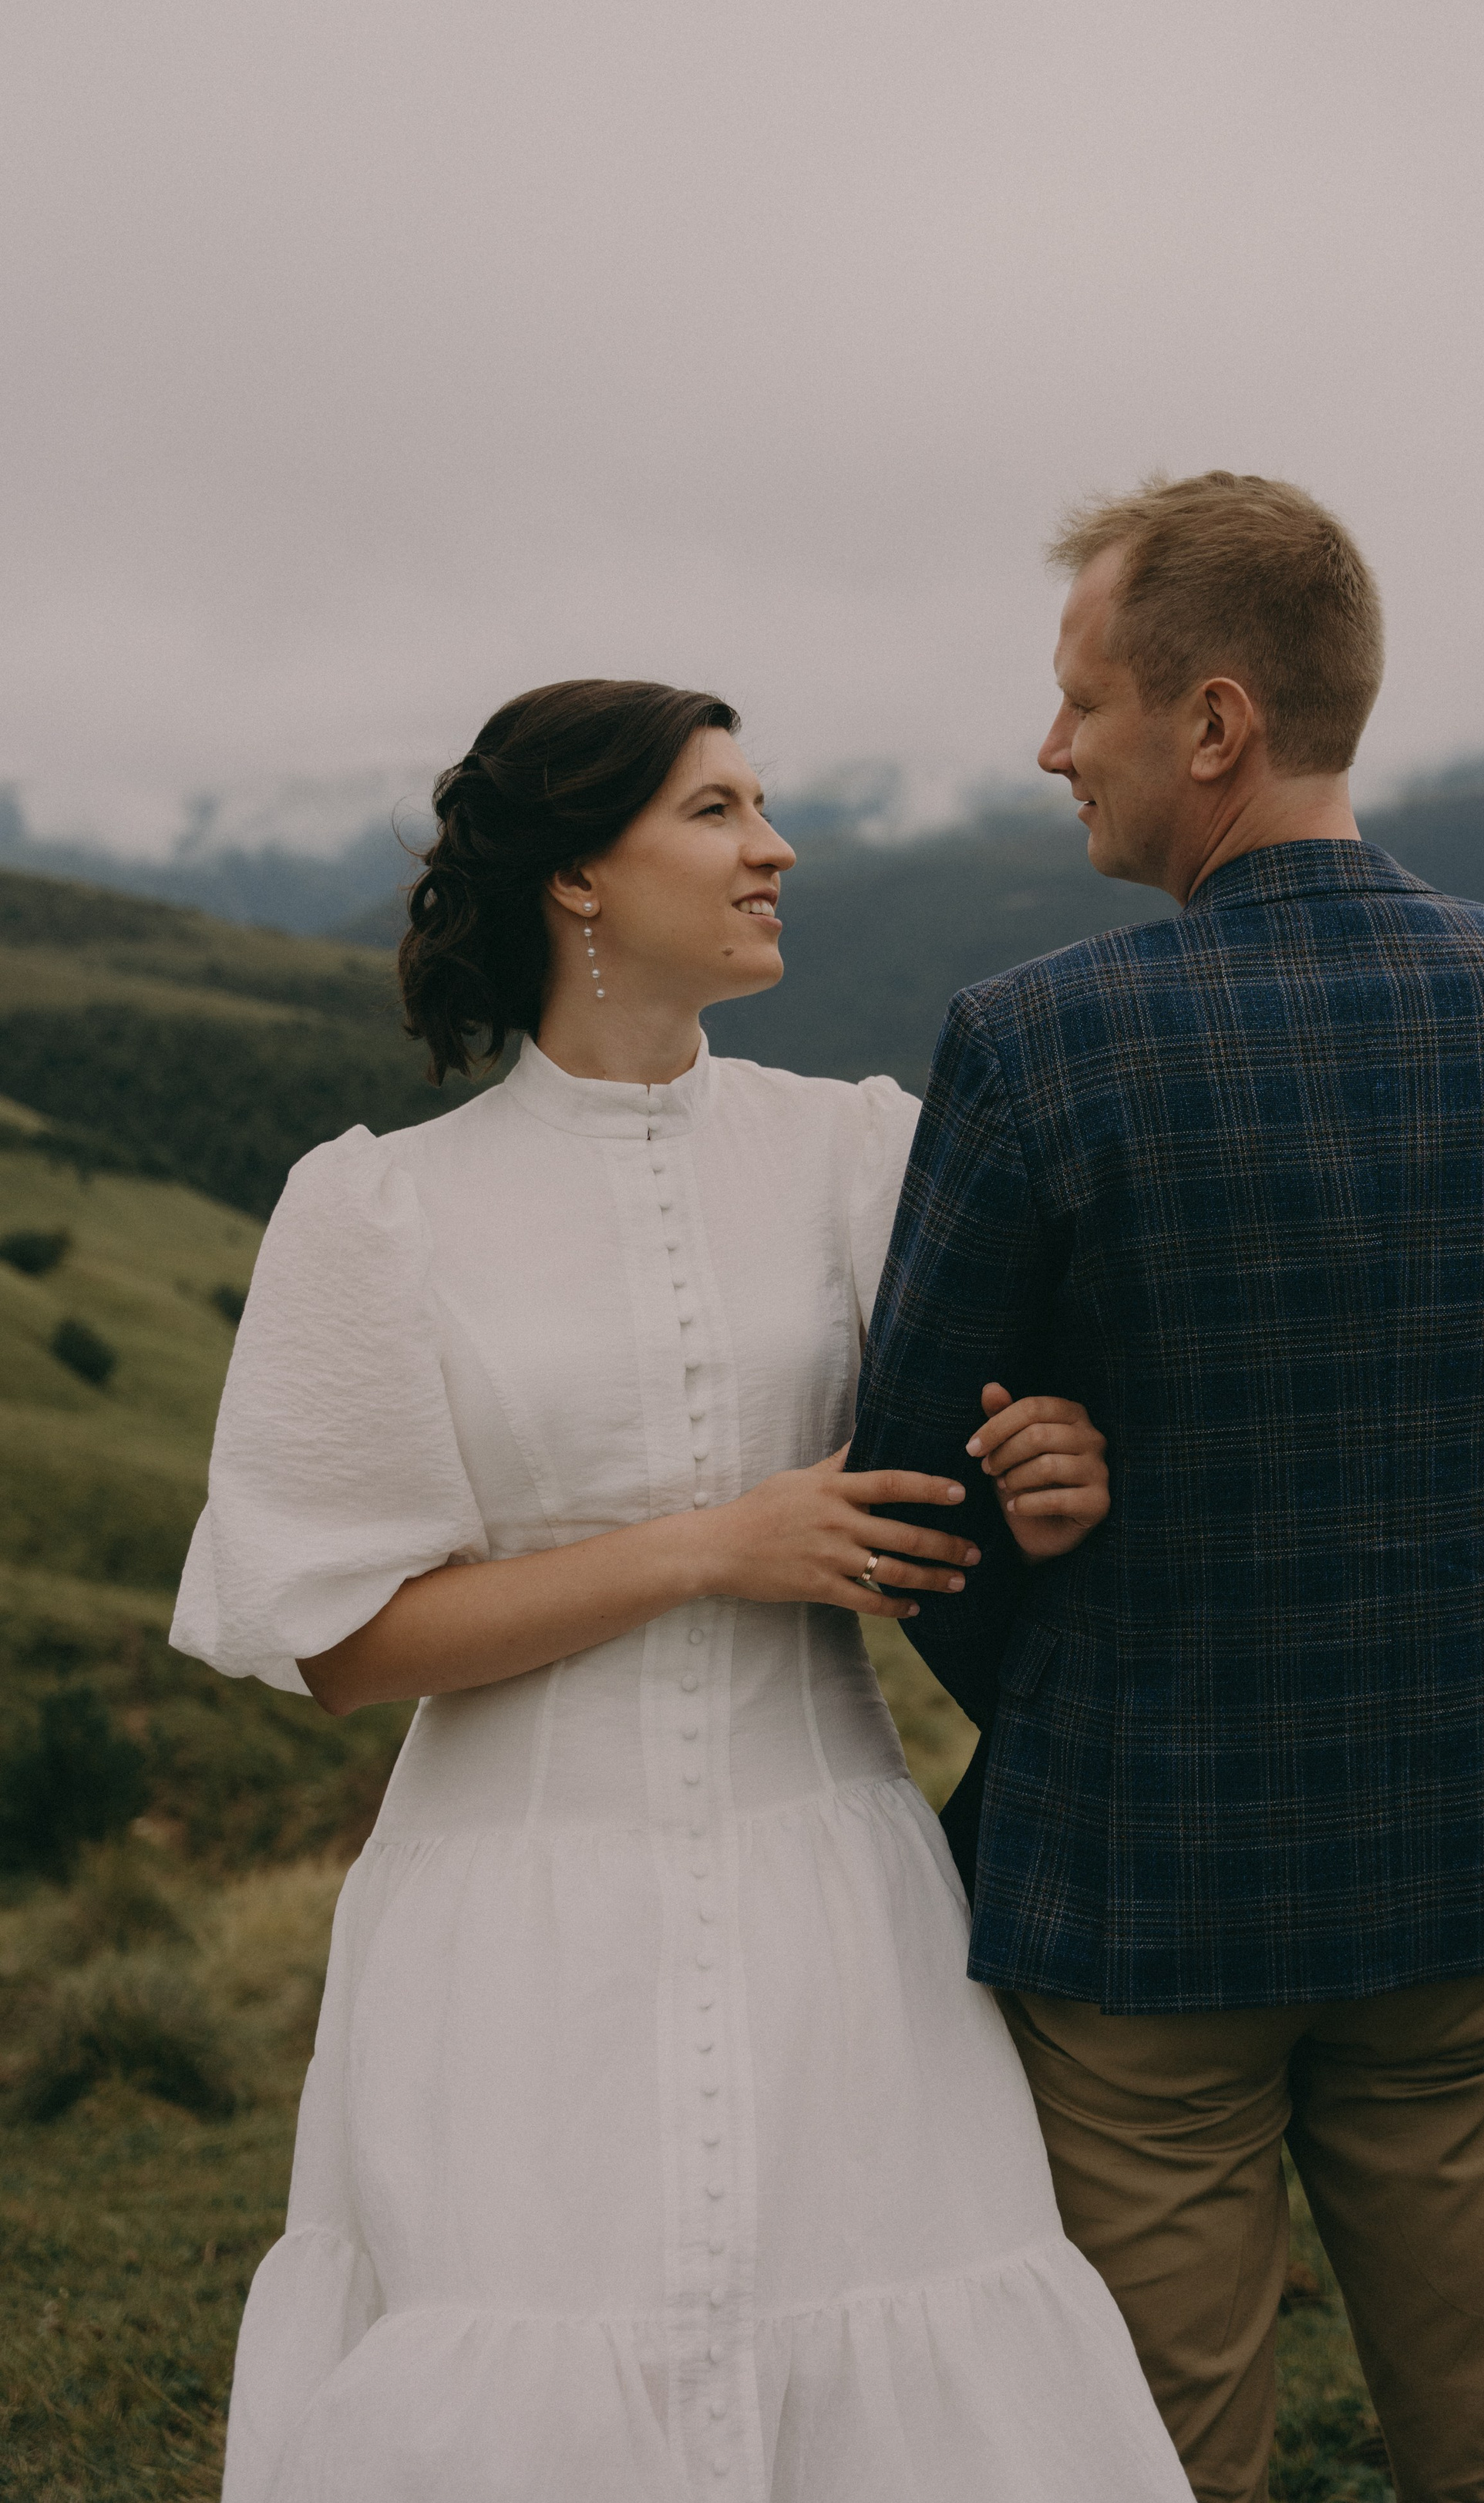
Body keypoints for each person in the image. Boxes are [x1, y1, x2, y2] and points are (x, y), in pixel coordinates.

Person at [170, 680, 1193, 2503]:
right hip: (512, 1926)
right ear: (577, 872)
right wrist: (711, 1546)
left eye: (763, 805)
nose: (773, 847)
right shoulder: (380, 1210)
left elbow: (982, 1459)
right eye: (716, 810)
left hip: (834, 1898)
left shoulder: (856, 1150)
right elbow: (342, 1647)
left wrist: (1054, 1466)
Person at [850, 473, 1484, 2503]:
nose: (1051, 745)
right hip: (1459, 1841)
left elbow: (904, 1491)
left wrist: (1086, 1669)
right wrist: (1434, 1613)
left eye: (1084, 699)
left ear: (1212, 721)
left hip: (1141, 1888)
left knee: (1151, 2462)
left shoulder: (1036, 1042)